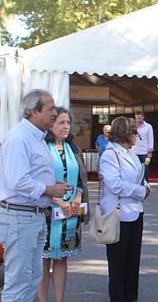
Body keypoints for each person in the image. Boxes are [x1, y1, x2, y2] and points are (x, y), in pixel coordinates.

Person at [0, 89, 68, 301]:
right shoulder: (19, 138)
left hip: (33, 215)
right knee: (18, 281)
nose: (55, 113)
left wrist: (50, 186)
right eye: (50, 109)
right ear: (33, 111)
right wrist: (49, 189)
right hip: (20, 216)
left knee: (32, 279)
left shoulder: (35, 137)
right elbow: (17, 181)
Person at [38, 107, 90, 302]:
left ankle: (59, 299)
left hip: (70, 212)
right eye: (61, 122)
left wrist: (77, 197)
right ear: (50, 125)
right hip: (47, 212)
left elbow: (80, 181)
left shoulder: (73, 148)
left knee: (61, 259)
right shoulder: (42, 148)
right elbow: (39, 180)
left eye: (68, 122)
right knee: (44, 260)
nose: (66, 126)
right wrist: (58, 200)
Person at [99, 116, 151, 302]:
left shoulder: (130, 152)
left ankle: (131, 298)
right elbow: (114, 184)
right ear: (125, 133)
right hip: (118, 215)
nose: (137, 135)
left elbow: (139, 175)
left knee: (132, 263)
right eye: (134, 132)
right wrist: (140, 191)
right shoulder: (110, 154)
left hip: (135, 212)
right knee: (118, 265)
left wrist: (146, 187)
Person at [132, 111, 154, 182]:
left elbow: (151, 139)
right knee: (135, 168)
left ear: (143, 117)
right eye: (137, 118)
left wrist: (150, 152)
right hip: (134, 152)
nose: (138, 120)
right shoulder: (133, 126)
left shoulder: (148, 126)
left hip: (145, 152)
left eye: (140, 118)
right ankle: (136, 183)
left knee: (145, 168)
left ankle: (146, 184)